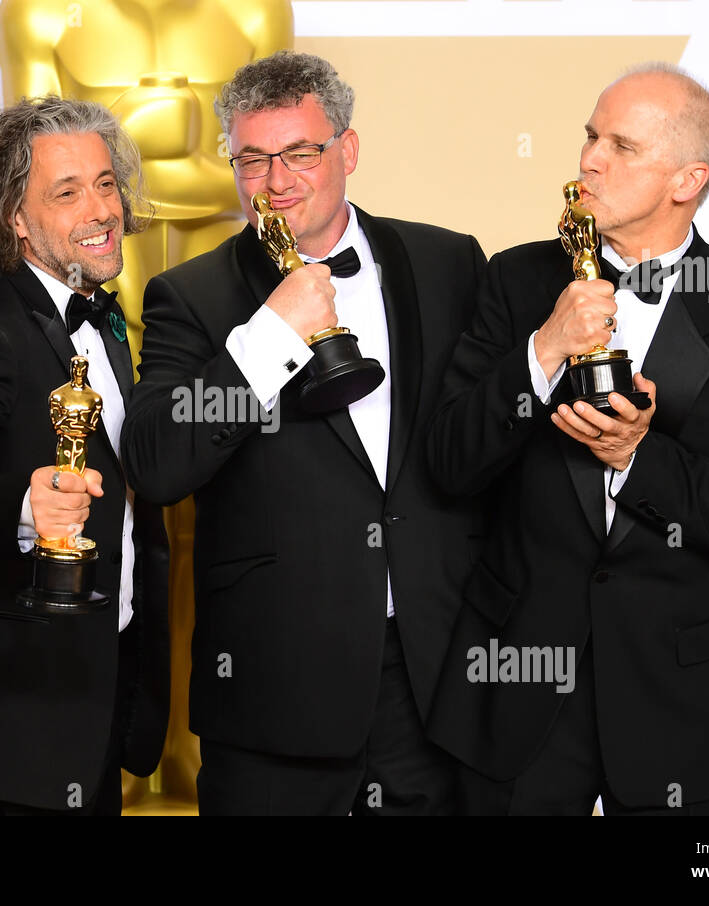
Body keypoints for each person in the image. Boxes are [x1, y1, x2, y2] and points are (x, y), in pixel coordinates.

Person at [425, 63, 709, 815]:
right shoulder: (514, 283)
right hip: (517, 702)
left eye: (622, 145)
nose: (589, 160)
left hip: (684, 707)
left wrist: (638, 459)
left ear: (687, 179)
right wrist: (540, 353)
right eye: (589, 136)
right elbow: (448, 463)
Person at [121, 50, 487, 815]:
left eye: (300, 153)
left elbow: (484, 443)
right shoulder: (190, 295)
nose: (276, 180)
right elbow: (158, 464)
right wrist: (269, 338)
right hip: (272, 693)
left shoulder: (448, 262)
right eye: (252, 159)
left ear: (346, 151)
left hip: (431, 681)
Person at [0, 97, 169, 815]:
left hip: (98, 704)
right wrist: (26, 505)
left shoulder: (106, 320)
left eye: (106, 183)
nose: (101, 208)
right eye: (67, 192)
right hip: (12, 728)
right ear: (15, 220)